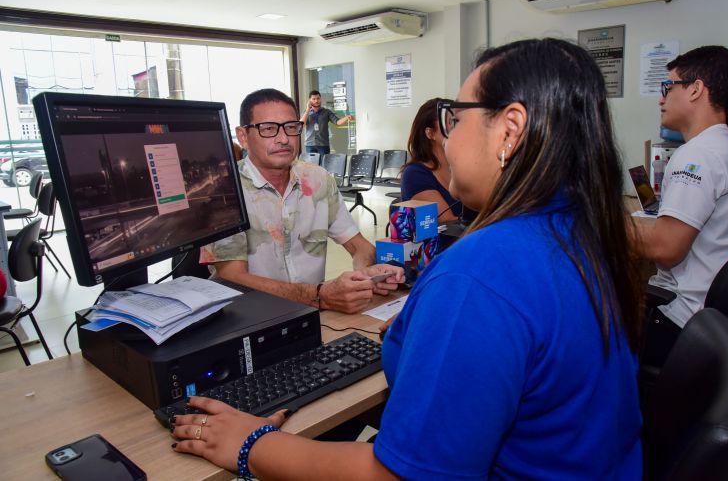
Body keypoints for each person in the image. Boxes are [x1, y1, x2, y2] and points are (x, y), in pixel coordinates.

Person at [172, 38, 644, 480]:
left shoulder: (478, 274)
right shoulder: (581, 232)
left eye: (454, 121)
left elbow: (399, 473)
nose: (445, 142)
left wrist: (251, 443)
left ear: (510, 131)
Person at [200, 88, 402, 314]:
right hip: (250, 319)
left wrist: (367, 274)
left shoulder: (318, 179)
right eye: (268, 129)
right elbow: (233, 276)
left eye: (291, 127)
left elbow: (359, 246)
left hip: (310, 316)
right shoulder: (225, 191)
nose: (284, 139)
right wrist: (318, 296)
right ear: (243, 137)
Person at [632, 46, 728, 367]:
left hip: (680, 317)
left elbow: (666, 248)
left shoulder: (697, 155)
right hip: (715, 316)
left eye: (667, 87)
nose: (661, 99)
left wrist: (599, 221)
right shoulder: (727, 147)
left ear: (696, 89)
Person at [400, 98, 462, 221]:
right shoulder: (415, 174)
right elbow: (448, 222)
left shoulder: (462, 167)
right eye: (451, 122)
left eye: (459, 121)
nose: (458, 128)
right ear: (430, 133)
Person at [300, 90, 353, 155]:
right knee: (311, 165)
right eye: (313, 99)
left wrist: (346, 117)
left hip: (323, 145)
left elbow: (337, 122)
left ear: (320, 99)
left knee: (324, 164)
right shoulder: (306, 112)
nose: (316, 101)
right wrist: (308, 109)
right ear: (309, 100)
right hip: (310, 145)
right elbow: (301, 125)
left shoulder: (326, 112)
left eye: (318, 98)